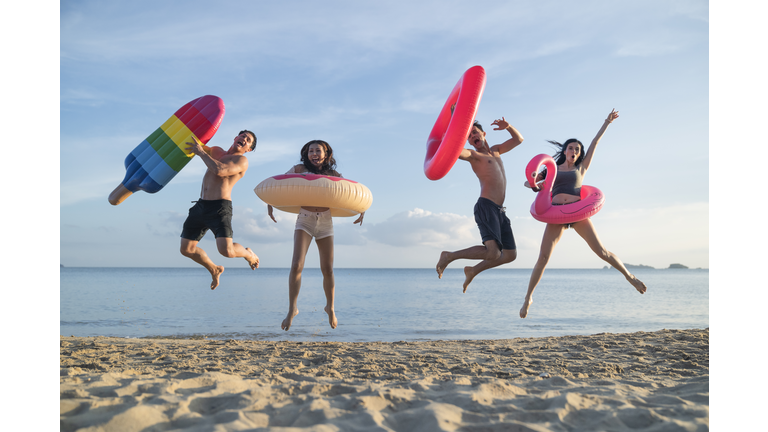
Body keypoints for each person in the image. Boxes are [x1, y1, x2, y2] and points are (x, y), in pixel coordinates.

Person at [520, 109, 647, 318]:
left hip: (578, 213)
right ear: (565, 150)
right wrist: (532, 183)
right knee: (543, 257)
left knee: (602, 252)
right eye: (571, 148)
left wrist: (607, 122)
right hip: (556, 213)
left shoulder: (581, 168)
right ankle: (528, 298)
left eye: (577, 149)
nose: (574, 151)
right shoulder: (552, 169)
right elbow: (532, 183)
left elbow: (595, 143)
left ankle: (629, 276)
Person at [268, 140, 364, 331]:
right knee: (296, 264)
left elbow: (352, 193)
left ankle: (330, 307)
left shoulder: (333, 175)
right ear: (306, 154)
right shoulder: (299, 169)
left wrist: (361, 209)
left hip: (326, 222)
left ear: (326, 154)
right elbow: (278, 185)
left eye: (318, 151)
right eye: (310, 151)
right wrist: (270, 202)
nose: (314, 154)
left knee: (327, 269)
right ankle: (292, 309)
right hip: (305, 219)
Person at [436, 117, 524, 292]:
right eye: (468, 135)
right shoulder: (474, 155)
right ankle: (449, 256)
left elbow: (518, 140)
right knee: (492, 252)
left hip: (500, 211)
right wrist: (455, 126)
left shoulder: (496, 150)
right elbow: (454, 151)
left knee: (510, 255)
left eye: (474, 132)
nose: (472, 136)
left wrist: (508, 127)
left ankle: (473, 270)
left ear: (483, 134)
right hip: (486, 206)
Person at [180, 130, 260, 290]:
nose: (244, 139)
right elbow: (196, 144)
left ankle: (248, 254)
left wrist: (201, 153)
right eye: (242, 136)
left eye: (248, 140)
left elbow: (220, 170)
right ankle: (214, 269)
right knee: (186, 249)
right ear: (235, 138)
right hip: (201, 205)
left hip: (219, 208)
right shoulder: (215, 150)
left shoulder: (241, 161)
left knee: (227, 251)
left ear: (249, 149)